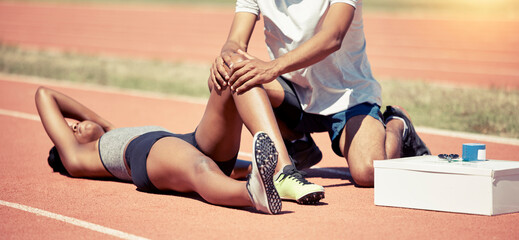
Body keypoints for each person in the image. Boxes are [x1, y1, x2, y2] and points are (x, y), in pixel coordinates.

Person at [209, 0, 430, 187]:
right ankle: (298, 144)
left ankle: (398, 124)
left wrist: (272, 67)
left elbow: (332, 37)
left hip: (347, 96)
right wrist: (226, 58)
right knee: (234, 73)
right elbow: (235, 42)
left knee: (369, 172)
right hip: (292, 92)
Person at [35, 85, 292, 214]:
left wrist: (105, 125)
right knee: (200, 168)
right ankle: (251, 194)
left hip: (186, 141)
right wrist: (97, 128)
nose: (76, 126)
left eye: (75, 124)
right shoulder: (76, 157)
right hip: (145, 152)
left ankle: (285, 167)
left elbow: (195, 158)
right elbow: (45, 94)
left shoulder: (112, 132)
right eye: (70, 131)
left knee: (227, 84)